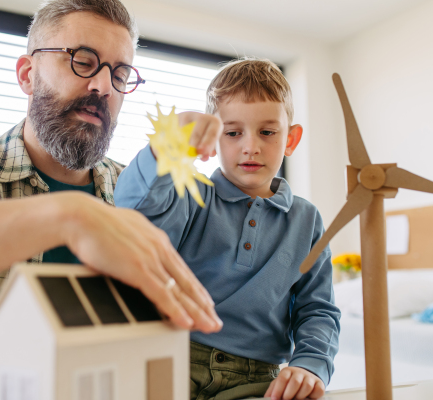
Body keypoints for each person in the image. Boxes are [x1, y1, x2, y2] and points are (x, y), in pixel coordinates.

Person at [0, 1, 224, 398]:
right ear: (27, 74)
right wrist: (67, 217)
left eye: (120, 74)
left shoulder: (135, 190)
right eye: (83, 61)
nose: (103, 87)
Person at [115, 58, 341, 400]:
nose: (251, 146)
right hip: (177, 358)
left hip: (259, 377)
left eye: (267, 132)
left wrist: (310, 364)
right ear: (213, 140)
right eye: (233, 133)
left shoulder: (307, 220)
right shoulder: (191, 195)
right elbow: (134, 208)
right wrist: (168, 145)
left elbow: (317, 308)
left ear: (291, 139)